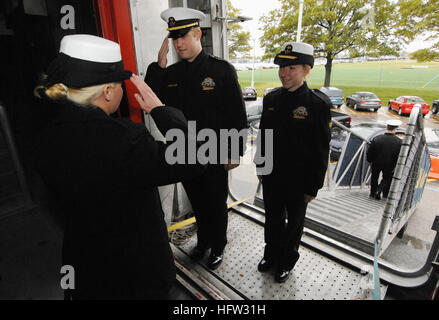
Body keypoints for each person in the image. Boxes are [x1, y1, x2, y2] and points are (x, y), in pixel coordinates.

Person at [31, 34, 205, 299]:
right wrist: (161, 110)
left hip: (85, 268)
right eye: (120, 84)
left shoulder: (44, 135)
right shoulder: (125, 140)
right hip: (134, 275)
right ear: (108, 91)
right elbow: (196, 157)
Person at [145, 7, 247, 270]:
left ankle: (218, 246)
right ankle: (202, 242)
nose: (178, 44)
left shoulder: (221, 70)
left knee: (215, 203)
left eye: (183, 37)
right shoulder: (171, 75)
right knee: (197, 201)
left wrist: (234, 151)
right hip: (186, 152)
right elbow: (150, 99)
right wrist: (158, 67)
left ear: (197, 34)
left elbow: (236, 114)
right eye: (174, 38)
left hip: (214, 151)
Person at [255, 42, 331, 283]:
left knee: (294, 225)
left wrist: (313, 186)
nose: (283, 73)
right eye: (281, 67)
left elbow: (321, 148)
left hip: (299, 180)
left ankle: (286, 261)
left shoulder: (317, 104)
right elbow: (264, 135)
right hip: (273, 175)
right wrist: (261, 165)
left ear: (307, 70)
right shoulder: (271, 99)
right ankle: (271, 255)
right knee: (273, 219)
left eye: (291, 68)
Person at [367, 120, 402, 200]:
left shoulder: (377, 138)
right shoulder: (399, 142)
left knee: (374, 177)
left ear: (387, 127)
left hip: (376, 162)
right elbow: (399, 155)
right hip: (390, 164)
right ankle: (380, 191)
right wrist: (396, 165)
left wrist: (369, 160)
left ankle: (372, 193)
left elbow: (370, 151)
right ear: (396, 128)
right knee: (386, 178)